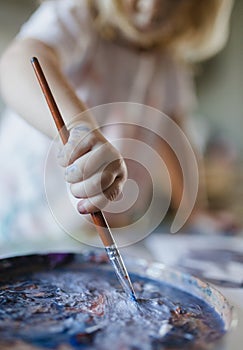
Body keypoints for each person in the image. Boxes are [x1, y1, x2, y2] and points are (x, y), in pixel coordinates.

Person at [0, 0, 234, 246]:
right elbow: (19, 61)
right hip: (26, 221)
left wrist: (194, 212)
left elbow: (177, 136)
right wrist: (80, 131)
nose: (150, 7)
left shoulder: (167, 62)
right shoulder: (77, 14)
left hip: (93, 233)